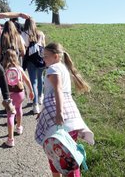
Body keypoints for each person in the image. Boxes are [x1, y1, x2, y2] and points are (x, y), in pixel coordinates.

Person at [35, 42, 94, 177]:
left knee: (55, 153)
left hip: (59, 114)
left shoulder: (53, 69)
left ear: (56, 56)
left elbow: (57, 90)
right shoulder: (63, 68)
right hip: (71, 113)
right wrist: (43, 111)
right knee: (69, 152)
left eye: (46, 56)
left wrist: (59, 113)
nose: (43, 59)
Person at [1, 49, 34, 147]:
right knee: (19, 109)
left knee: (10, 115)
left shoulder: (4, 70)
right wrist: (31, 91)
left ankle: (10, 139)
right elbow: (27, 80)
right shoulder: (19, 68)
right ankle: (19, 128)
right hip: (20, 93)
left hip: (9, 94)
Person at [22, 18, 46, 114]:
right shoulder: (40, 33)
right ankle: (41, 97)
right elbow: (44, 45)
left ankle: (35, 105)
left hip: (30, 59)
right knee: (40, 77)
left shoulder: (24, 33)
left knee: (33, 82)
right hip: (40, 58)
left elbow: (24, 47)